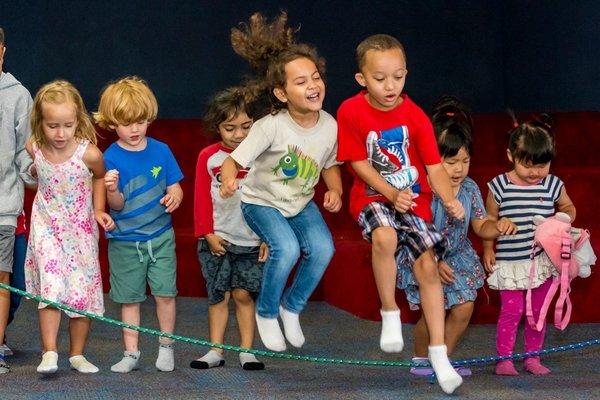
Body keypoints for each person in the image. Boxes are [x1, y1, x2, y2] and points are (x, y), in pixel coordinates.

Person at [336, 34, 464, 394]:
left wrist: (448, 197)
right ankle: (390, 312)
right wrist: (391, 192)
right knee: (385, 236)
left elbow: (434, 166)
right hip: (374, 198)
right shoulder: (350, 110)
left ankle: (438, 352)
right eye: (380, 78)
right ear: (362, 79)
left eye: (398, 76)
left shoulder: (416, 115)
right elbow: (356, 161)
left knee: (427, 265)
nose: (390, 86)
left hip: (413, 201)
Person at [220, 12, 343, 352]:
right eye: (300, 82)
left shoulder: (330, 125)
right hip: (261, 203)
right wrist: (228, 182)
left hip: (299, 204)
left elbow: (330, 163)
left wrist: (335, 188)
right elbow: (232, 161)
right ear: (282, 93)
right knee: (286, 248)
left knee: (323, 249)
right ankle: (267, 312)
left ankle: (291, 308)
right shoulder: (271, 126)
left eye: (315, 77)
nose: (312, 86)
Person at [399, 96, 517, 376]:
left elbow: (480, 225)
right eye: (450, 162)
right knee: (433, 311)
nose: (459, 169)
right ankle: (419, 359)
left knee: (465, 306)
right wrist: (432, 263)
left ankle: (443, 360)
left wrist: (497, 226)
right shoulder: (420, 191)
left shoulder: (470, 188)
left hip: (457, 254)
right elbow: (411, 234)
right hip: (423, 255)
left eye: (465, 161)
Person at [94, 76, 183, 373]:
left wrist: (174, 196)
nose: (134, 129)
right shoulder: (110, 157)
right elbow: (116, 206)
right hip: (125, 241)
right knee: (129, 299)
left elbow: (175, 186)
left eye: (141, 121)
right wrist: (111, 190)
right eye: (126, 122)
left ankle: (166, 346)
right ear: (111, 122)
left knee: (165, 294)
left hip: (160, 236)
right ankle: (131, 353)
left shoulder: (161, 150)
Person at [24, 80, 113, 374]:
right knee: (50, 288)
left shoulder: (88, 154)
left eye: (67, 125)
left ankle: (77, 354)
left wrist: (99, 209)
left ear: (78, 121)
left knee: (79, 290)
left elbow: (99, 177)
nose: (60, 133)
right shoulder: (34, 147)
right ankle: (49, 352)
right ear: (40, 123)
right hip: (47, 226)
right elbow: (36, 173)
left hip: (79, 230)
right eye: (52, 126)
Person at [483, 115, 576, 376]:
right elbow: (489, 220)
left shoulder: (553, 184)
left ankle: (532, 358)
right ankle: (504, 360)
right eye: (528, 165)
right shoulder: (499, 185)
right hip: (511, 262)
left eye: (543, 164)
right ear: (510, 155)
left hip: (542, 261)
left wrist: (563, 219)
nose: (536, 172)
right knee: (512, 312)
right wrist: (489, 248)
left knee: (537, 312)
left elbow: (568, 206)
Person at [192, 87, 267, 370]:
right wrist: (207, 233)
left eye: (246, 127)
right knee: (219, 295)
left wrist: (268, 238)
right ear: (217, 127)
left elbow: (271, 200)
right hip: (218, 240)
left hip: (251, 240)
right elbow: (200, 199)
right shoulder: (209, 157)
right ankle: (215, 350)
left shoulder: (261, 156)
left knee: (243, 295)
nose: (238, 134)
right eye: (230, 128)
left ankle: (247, 350)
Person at [0, 27, 35, 373]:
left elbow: (26, 154)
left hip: (7, 207)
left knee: (18, 286)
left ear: (2, 52)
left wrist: (38, 170)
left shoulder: (17, 95)